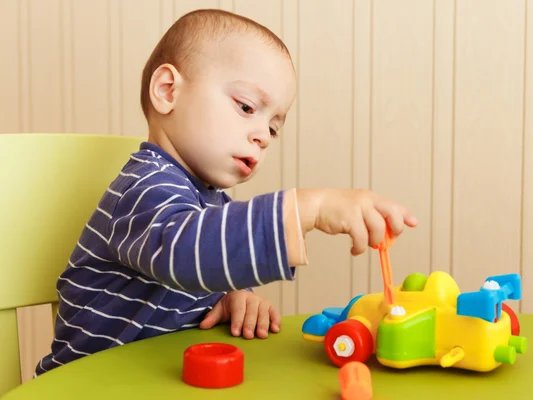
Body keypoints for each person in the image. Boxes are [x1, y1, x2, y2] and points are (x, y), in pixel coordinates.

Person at [34, 9, 418, 377]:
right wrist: (309, 208)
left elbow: (210, 256)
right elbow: (184, 252)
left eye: (274, 127)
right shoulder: (143, 187)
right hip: (88, 383)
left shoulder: (209, 201)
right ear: (167, 90)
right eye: (247, 106)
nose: (262, 136)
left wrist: (231, 295)